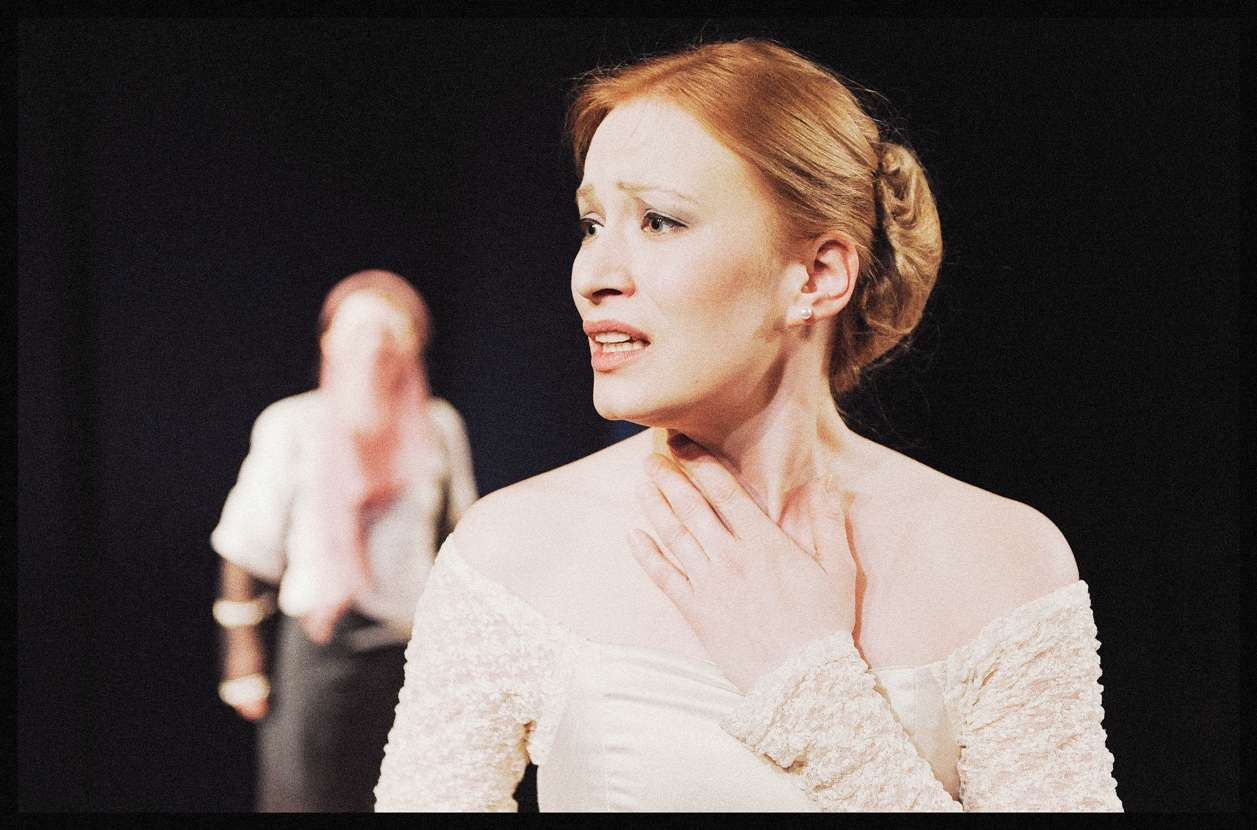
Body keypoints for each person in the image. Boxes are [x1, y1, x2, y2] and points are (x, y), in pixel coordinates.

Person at [374, 40, 1121, 812]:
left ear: (816, 276)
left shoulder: (1002, 560)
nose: (593, 276)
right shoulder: (513, 548)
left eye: (659, 221)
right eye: (592, 224)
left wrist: (808, 689)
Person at [211, 270, 478, 812]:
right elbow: (245, 549)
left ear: (414, 344)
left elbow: (461, 534)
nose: (373, 347)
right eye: (357, 332)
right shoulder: (291, 423)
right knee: (305, 796)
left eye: (389, 332)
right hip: (320, 645)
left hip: (411, 647)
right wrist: (243, 658)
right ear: (328, 340)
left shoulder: (439, 425)